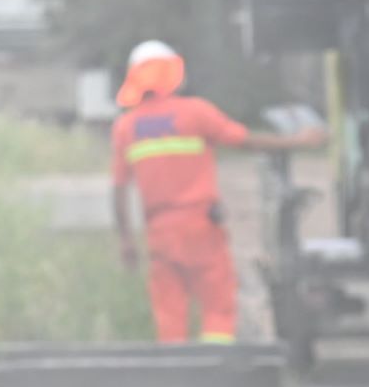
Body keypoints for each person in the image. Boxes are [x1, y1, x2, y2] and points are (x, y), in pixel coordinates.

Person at [108, 40, 324, 344]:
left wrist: (127, 241)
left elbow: (118, 189)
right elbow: (245, 140)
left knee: (169, 316)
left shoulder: (125, 127)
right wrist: (298, 141)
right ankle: (215, 369)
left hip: (159, 232)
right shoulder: (195, 113)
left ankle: (176, 379)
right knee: (218, 308)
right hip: (201, 227)